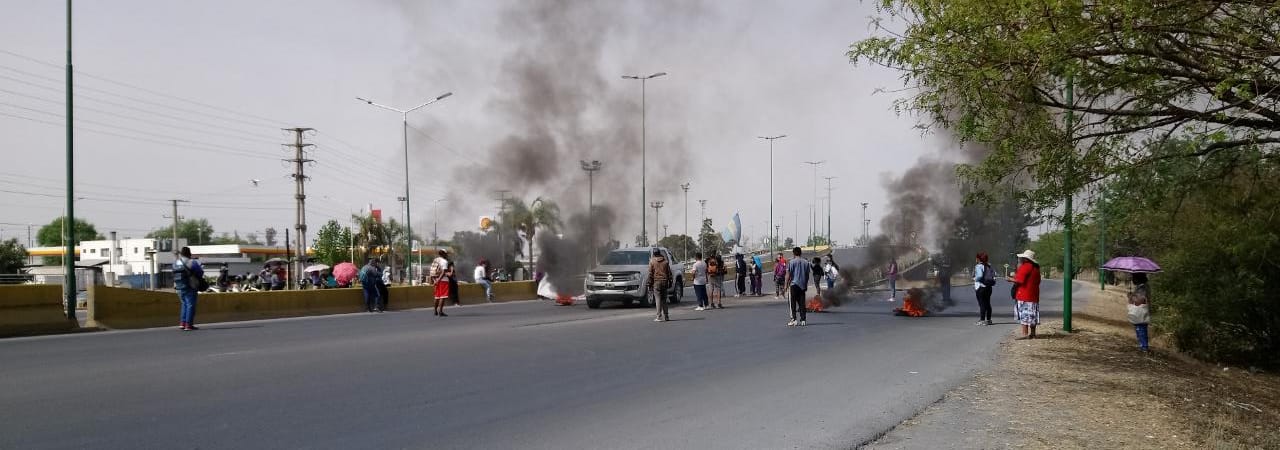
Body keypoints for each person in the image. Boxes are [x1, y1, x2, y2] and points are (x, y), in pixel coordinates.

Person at [1007, 250, 1042, 339]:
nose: (1020, 259)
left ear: (1025, 259)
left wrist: (1010, 279)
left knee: (1024, 316)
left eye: (1021, 258)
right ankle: (1033, 333)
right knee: (1032, 315)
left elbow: (1020, 280)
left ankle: (1025, 334)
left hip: (1024, 296)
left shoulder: (1026, 267)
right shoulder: (1036, 268)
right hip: (1033, 295)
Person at [172, 246, 203, 331]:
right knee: (190, 305)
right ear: (189, 254)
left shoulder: (176, 262)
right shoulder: (191, 262)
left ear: (181, 253)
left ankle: (182, 323)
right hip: (190, 286)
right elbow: (200, 272)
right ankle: (188, 325)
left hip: (178, 287)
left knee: (184, 304)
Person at [784, 247, 811, 327]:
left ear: (794, 253)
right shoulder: (806, 262)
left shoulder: (791, 262)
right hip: (802, 285)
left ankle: (794, 319)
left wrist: (785, 285)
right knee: (802, 303)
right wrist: (805, 284)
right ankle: (803, 320)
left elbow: (788, 274)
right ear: (800, 253)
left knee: (792, 303)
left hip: (794, 285)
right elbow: (807, 275)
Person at [646, 248, 673, 322]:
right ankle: (666, 316)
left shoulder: (652, 261)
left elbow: (650, 273)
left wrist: (649, 283)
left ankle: (659, 316)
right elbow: (669, 273)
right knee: (664, 299)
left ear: (654, 254)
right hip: (664, 282)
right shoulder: (665, 261)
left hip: (656, 282)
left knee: (658, 299)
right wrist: (670, 282)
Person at [1127, 273, 1151, 352]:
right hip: (1141, 311)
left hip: (1140, 311)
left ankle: (1144, 347)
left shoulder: (1142, 288)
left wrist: (1131, 297)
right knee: (1140, 329)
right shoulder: (1142, 287)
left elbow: (1139, 300)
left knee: (1141, 329)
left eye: (1134, 277)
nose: (1133, 279)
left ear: (1138, 278)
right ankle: (1143, 346)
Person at [973, 252, 995, 326]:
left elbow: (979, 275)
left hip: (981, 287)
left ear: (978, 259)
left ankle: (982, 320)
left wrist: (975, 279)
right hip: (989, 287)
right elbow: (994, 275)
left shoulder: (978, 266)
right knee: (988, 303)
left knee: (982, 304)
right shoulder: (989, 265)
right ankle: (989, 320)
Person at [429, 249, 452, 317]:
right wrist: (439, 280)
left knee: (437, 296)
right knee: (443, 296)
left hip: (435, 280)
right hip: (443, 281)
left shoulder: (435, 260)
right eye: (446, 253)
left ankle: (435, 311)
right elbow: (443, 272)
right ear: (444, 254)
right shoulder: (444, 261)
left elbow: (432, 271)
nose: (447, 255)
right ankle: (440, 312)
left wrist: (435, 280)